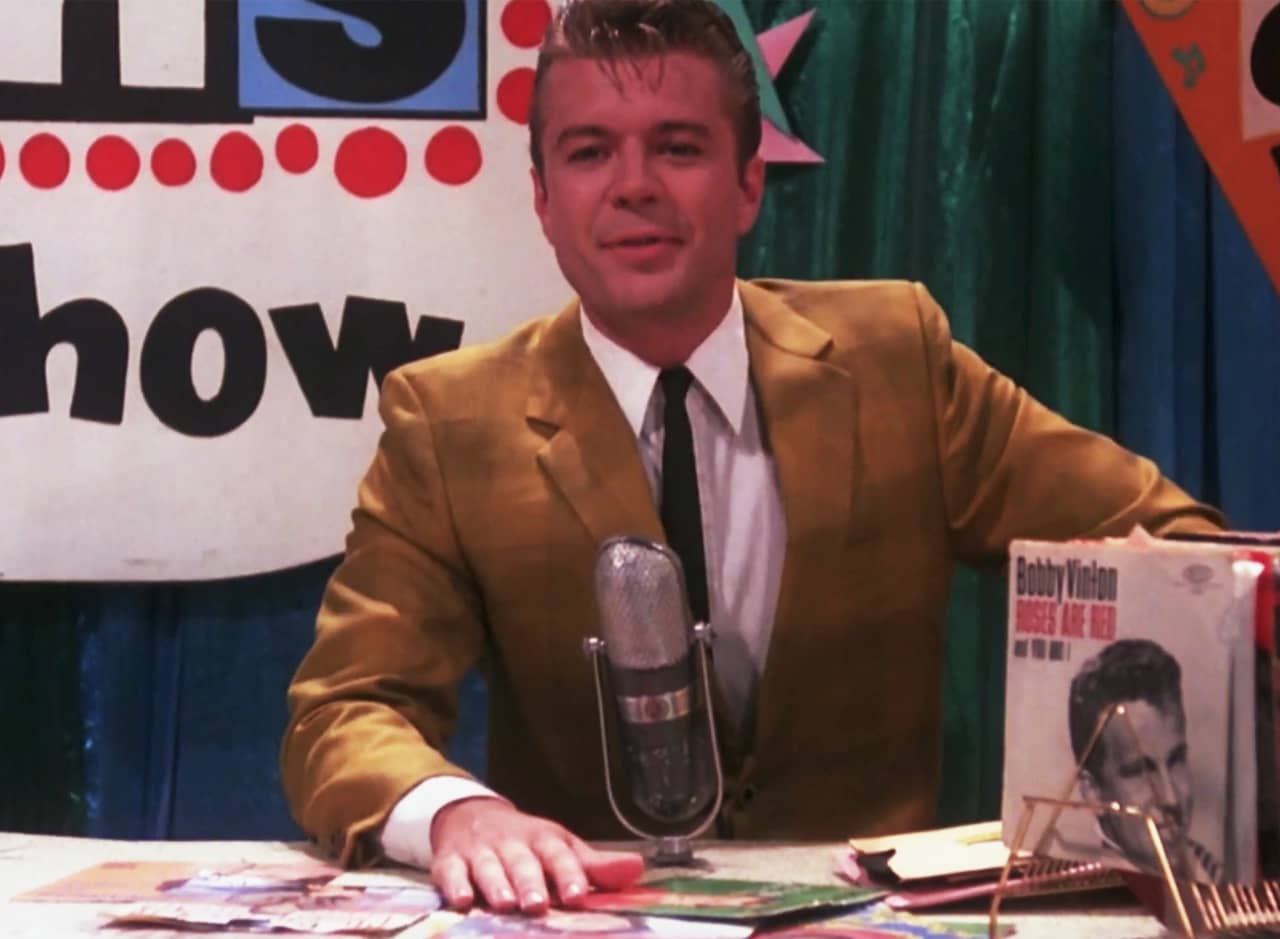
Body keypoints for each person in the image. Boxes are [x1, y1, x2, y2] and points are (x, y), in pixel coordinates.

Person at [280, 0, 1222, 916]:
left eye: (678, 147)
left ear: (748, 184)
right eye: (589, 151)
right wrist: (459, 813)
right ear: (542, 198)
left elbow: (1182, 554)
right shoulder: (448, 423)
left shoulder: (898, 358)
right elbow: (345, 711)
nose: (634, 184)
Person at [1068, 638, 1221, 882]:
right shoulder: (1077, 875)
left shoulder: (1215, 872)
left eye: (1176, 761)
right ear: (1093, 793)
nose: (1171, 797)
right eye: (1140, 771)